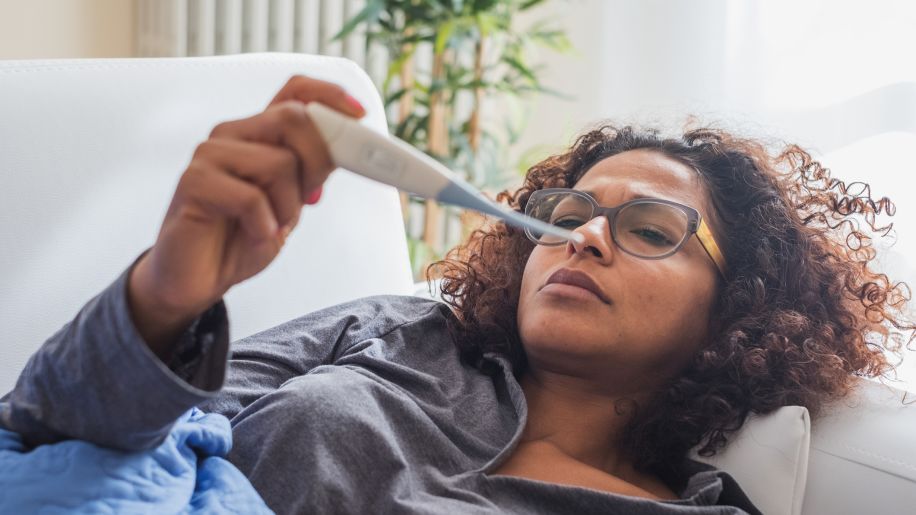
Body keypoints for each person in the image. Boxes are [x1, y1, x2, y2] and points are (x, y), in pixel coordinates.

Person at [2, 76, 912, 514]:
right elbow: (45, 429)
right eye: (566, 213)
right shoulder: (399, 331)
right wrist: (165, 293)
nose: (584, 236)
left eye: (647, 229)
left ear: (736, 306)